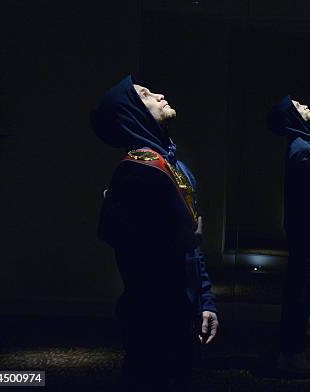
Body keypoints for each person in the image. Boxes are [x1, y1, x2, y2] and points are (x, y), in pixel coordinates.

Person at [90, 75, 218, 391]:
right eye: (146, 94)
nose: (159, 94)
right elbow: (134, 255)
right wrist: (181, 242)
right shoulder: (136, 172)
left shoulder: (174, 165)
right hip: (153, 320)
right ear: (134, 113)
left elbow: (193, 248)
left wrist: (205, 302)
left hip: (181, 313)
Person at [267, 96, 310, 375]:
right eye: (297, 105)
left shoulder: (303, 145)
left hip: (307, 232)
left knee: (304, 292)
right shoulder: (302, 150)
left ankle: (296, 347)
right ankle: (290, 352)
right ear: (291, 116)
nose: (305, 105)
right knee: (300, 293)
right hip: (308, 234)